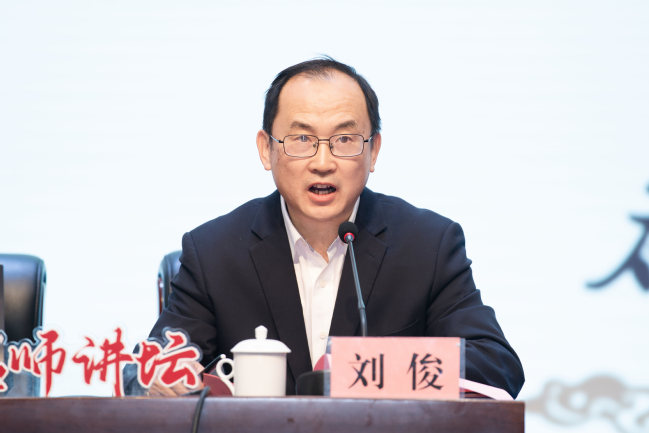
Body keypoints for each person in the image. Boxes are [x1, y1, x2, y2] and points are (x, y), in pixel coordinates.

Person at [143, 57, 525, 398]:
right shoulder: (214, 253)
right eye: (302, 139)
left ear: (373, 150)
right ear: (266, 149)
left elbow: (496, 365)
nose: (323, 162)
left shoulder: (427, 245)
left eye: (344, 139)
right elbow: (147, 370)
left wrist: (370, 369)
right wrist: (163, 383)